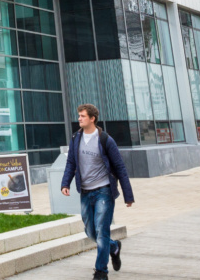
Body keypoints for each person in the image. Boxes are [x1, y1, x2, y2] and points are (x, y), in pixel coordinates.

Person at [60, 104, 135, 280]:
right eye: (78, 115)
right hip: (86, 192)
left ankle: (101, 271)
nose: (79, 118)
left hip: (104, 191)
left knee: (102, 231)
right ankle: (114, 248)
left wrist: (128, 195)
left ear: (92, 118)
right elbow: (71, 162)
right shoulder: (76, 138)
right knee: (91, 232)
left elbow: (120, 168)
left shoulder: (105, 140)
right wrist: (65, 183)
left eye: (83, 116)